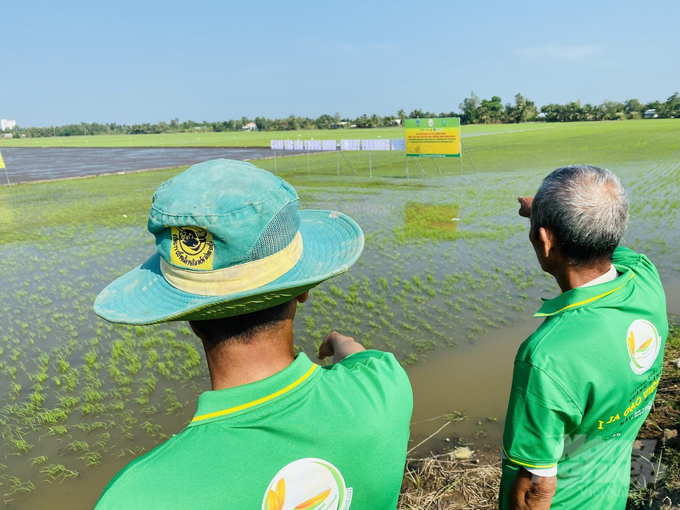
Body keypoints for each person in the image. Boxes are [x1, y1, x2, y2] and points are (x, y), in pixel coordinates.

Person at [93, 159, 413, 510]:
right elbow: (360, 357)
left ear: (189, 317)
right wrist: (341, 343)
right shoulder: (384, 389)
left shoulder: (136, 496)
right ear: (303, 290)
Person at [500, 165, 668, 509]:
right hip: (610, 495)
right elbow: (604, 240)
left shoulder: (548, 357)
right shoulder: (645, 279)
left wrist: (545, 218)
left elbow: (535, 489)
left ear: (545, 241)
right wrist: (545, 214)